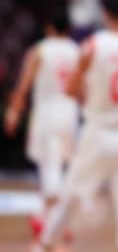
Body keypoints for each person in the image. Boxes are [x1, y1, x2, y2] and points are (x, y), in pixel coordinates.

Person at [38, 0, 118, 252]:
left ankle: (45, 244)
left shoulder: (93, 45)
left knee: (70, 195)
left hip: (99, 131)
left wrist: (88, 97)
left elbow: (70, 88)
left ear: (105, 14)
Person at [4, 14, 79, 232]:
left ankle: (54, 221)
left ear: (49, 28)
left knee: (50, 168)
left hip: (47, 112)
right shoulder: (78, 51)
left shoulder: (40, 50)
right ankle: (50, 217)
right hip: (71, 112)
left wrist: (13, 112)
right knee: (61, 167)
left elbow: (23, 86)